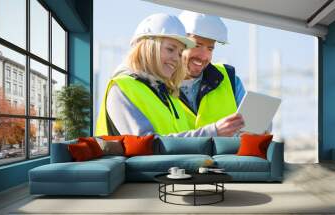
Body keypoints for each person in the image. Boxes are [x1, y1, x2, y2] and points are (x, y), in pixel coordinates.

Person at [95, 13, 244, 137]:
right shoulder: (122, 88)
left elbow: (178, 142)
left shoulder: (166, 94)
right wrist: (213, 132)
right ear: (148, 47)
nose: (176, 59)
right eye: (170, 49)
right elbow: (148, 145)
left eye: (179, 53)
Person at [178, 11, 246, 129]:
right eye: (197, 45)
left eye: (210, 49)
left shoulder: (231, 81)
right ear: (179, 43)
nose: (204, 56)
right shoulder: (158, 83)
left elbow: (251, 126)